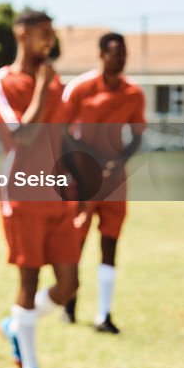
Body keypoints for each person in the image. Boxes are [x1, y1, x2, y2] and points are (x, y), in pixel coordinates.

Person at [0, 10, 79, 368]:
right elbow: (21, 135)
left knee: (69, 285)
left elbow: (65, 135)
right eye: (43, 34)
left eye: (52, 35)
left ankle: (15, 324)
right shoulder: (1, 81)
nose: (49, 42)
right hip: (21, 191)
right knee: (29, 282)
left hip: (58, 193)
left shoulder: (56, 83)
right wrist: (41, 86)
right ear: (21, 34)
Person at [59, 32, 145, 334]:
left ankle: (104, 314)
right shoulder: (81, 88)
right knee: (75, 241)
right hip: (82, 175)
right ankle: (69, 301)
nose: (120, 59)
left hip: (113, 178)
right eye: (114, 53)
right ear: (101, 54)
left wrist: (118, 162)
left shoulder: (133, 92)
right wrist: (92, 158)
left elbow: (136, 134)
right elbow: (61, 130)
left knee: (110, 242)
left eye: (124, 54)